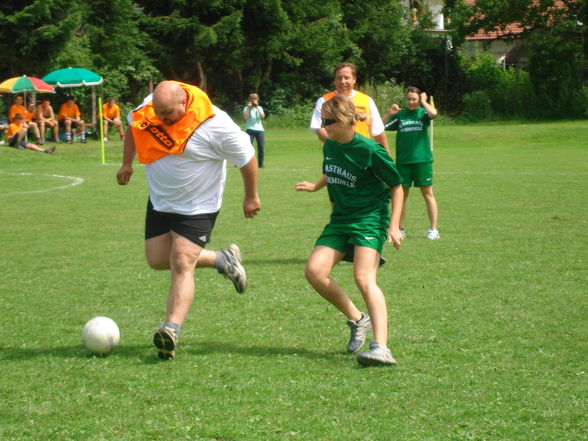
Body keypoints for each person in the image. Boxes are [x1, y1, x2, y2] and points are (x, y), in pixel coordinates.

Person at [116, 80, 261, 360]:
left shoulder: (216, 124)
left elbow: (246, 157)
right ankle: (222, 259)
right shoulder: (151, 106)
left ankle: (171, 330)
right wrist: (127, 162)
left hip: (198, 206)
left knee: (182, 261)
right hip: (160, 201)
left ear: (183, 102)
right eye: (158, 112)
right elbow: (134, 125)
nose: (160, 118)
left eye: (167, 114)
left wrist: (251, 196)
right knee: (158, 260)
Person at [296, 95, 404, 366]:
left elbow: (397, 186)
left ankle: (381, 347)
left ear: (344, 120)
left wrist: (393, 226)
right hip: (340, 220)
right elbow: (333, 170)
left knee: (364, 278)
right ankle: (358, 319)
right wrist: (315, 186)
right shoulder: (330, 146)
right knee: (314, 271)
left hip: (370, 218)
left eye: (327, 122)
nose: (323, 127)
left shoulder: (371, 150)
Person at [382, 86, 439, 240]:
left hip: (422, 161)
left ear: (418, 99)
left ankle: (433, 229)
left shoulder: (423, 113)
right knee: (401, 196)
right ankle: (400, 229)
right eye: (409, 99)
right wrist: (389, 114)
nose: (411, 102)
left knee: (428, 195)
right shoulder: (401, 115)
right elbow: (379, 127)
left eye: (414, 99)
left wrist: (424, 102)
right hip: (403, 162)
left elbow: (434, 113)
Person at [310, 62, 389, 152]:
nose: (343, 81)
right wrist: (340, 147)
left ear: (354, 79)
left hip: (362, 154)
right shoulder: (325, 101)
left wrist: (387, 157)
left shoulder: (366, 100)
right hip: (337, 154)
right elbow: (318, 128)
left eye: (346, 78)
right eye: (339, 78)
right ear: (334, 80)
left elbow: (378, 131)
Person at [243, 93, 266, 168]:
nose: (254, 101)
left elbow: (262, 116)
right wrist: (249, 108)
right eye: (252, 99)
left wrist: (257, 108)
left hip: (259, 130)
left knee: (261, 147)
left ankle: (260, 164)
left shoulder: (260, 108)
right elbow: (245, 117)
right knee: (248, 147)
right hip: (250, 129)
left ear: (257, 100)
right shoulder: (246, 108)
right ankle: (245, 162)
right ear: (250, 100)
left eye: (255, 99)